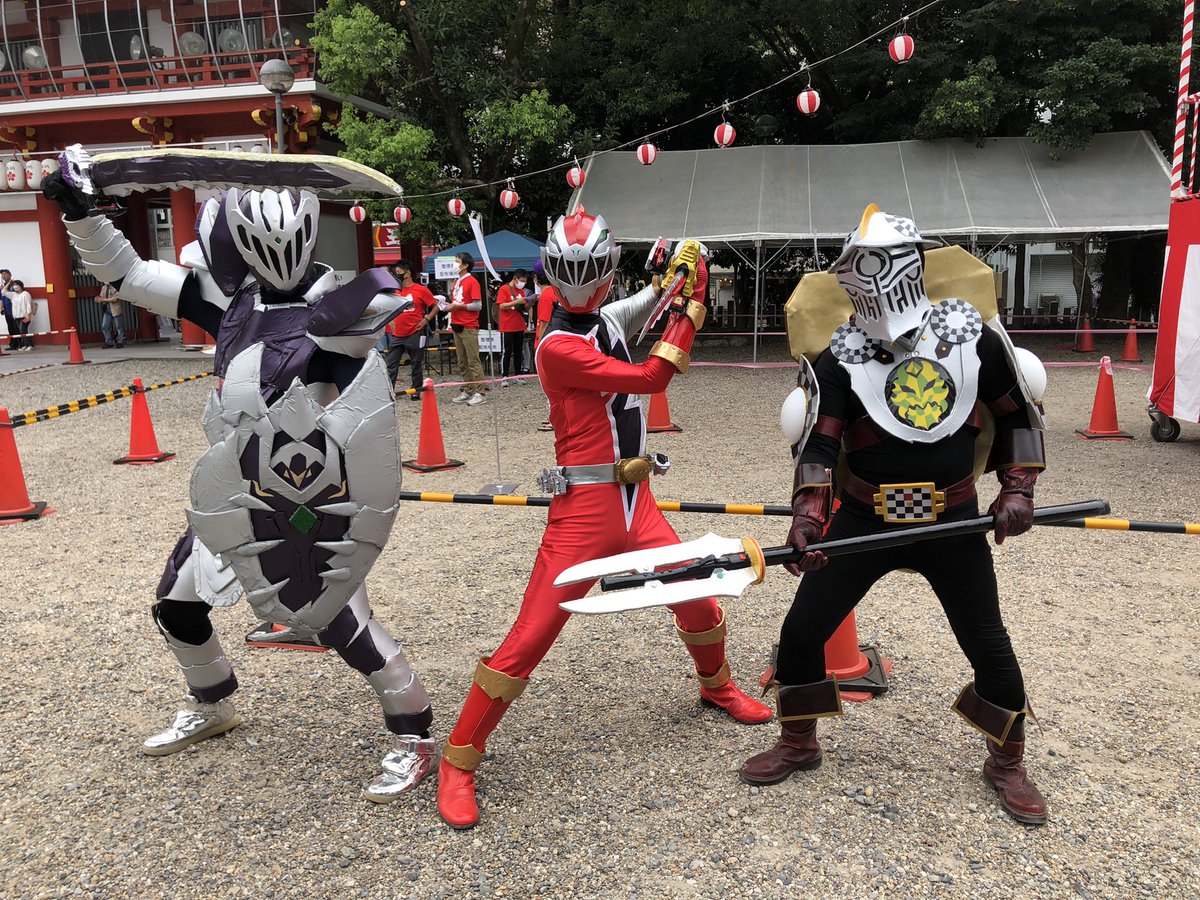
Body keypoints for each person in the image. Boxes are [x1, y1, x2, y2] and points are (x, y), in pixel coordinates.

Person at [44, 146, 437, 802]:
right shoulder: (228, 303)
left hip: (306, 499)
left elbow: (365, 419)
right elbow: (129, 274)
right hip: (235, 490)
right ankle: (213, 700)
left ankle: (415, 734)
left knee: (340, 623)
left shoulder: (339, 314)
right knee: (176, 606)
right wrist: (80, 212)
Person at [436, 208, 771, 830]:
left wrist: (675, 278)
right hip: (584, 513)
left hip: (637, 503)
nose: (583, 289)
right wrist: (691, 306)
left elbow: (643, 302)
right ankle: (458, 760)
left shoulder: (606, 319)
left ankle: (717, 686)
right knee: (531, 637)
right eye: (575, 276)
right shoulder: (557, 347)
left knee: (698, 596)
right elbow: (652, 376)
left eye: (590, 276)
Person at [739, 206, 1050, 826]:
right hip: (864, 517)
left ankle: (1007, 761)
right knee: (802, 631)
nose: (871, 283)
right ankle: (798, 742)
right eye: (858, 271)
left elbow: (1017, 414)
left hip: (953, 520)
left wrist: (1017, 489)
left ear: (911, 266)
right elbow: (819, 443)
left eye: (880, 267)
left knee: (988, 642)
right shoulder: (839, 356)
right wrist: (808, 515)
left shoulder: (973, 337)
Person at [380, 260, 439, 400]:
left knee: (416, 363)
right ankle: (389, 392)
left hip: (415, 332)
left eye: (398, 272)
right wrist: (390, 320)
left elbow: (436, 305)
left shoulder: (421, 290)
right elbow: (387, 307)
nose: (396, 275)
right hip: (397, 334)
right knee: (391, 364)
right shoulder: (394, 290)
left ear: (407, 273)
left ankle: (416, 391)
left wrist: (427, 319)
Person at [448, 252, 486, 406]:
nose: (455, 264)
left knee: (473, 360)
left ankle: (480, 392)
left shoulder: (472, 281)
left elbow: (478, 305)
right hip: (457, 324)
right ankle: (469, 389)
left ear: (465, 265)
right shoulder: (457, 282)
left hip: (469, 325)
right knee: (462, 361)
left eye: (457, 261)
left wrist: (459, 306)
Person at [496, 268, 529, 385]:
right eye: (522, 280)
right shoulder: (504, 289)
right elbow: (502, 306)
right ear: (515, 279)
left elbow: (525, 308)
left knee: (518, 351)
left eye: (525, 281)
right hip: (507, 325)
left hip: (519, 325)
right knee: (507, 351)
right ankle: (505, 376)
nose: (523, 283)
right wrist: (516, 302)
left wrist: (531, 302)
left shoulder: (522, 291)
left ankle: (518, 375)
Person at [96, 282, 125, 348]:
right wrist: (99, 298)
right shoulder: (103, 287)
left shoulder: (115, 287)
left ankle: (120, 341)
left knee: (119, 326)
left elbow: (115, 298)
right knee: (105, 326)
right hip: (107, 310)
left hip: (115, 309)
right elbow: (101, 296)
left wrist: (103, 299)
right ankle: (109, 341)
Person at [8, 279, 32, 351]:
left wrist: (28, 313)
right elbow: (3, 292)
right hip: (17, 316)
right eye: (14, 285)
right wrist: (9, 283)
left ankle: (30, 344)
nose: (15, 286)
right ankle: (25, 344)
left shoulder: (25, 293)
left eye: (16, 285)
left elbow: (28, 304)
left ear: (21, 286)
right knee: (21, 332)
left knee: (23, 331)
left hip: (24, 316)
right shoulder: (13, 295)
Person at [0, 268, 15, 351]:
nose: (3, 276)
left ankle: (20, 344)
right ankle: (13, 344)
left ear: (10, 274)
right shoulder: (2, 286)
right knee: (10, 328)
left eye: (5, 274)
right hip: (7, 310)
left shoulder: (14, 284)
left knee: (16, 328)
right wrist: (1, 309)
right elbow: (1, 299)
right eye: (2, 274)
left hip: (14, 310)